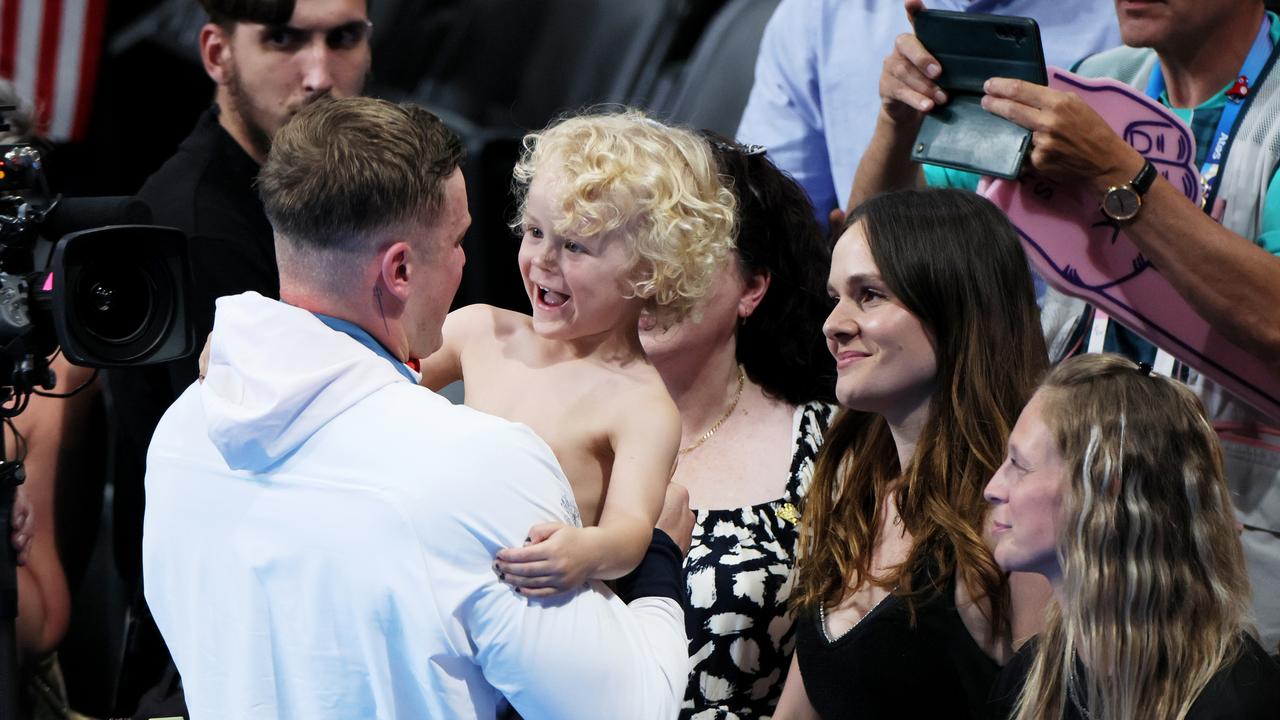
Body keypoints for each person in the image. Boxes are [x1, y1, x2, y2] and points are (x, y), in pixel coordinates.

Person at [143, 96, 694, 719]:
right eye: (464, 240)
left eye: (575, 245)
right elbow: (631, 709)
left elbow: (366, 382)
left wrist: (244, 349)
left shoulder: (183, 431)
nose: (530, 258)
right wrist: (659, 564)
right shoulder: (481, 437)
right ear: (399, 269)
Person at [855, 0, 1280, 649]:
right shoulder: (1095, 82)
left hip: (1234, 547)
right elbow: (882, 246)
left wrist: (1116, 175)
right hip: (1069, 541)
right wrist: (899, 120)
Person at [107, 1, 373, 710]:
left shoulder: (314, 205)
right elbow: (274, 483)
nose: (320, 75)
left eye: (344, 38)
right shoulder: (198, 232)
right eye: (284, 40)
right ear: (218, 54)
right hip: (219, 664)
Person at [419, 110, 734, 596]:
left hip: (527, 601)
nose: (543, 259)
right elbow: (381, 384)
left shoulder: (642, 405)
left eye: (575, 246)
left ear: (650, 271)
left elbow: (630, 531)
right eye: (535, 231)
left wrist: (583, 551)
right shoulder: (479, 331)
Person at [773, 188, 1052, 719]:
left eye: (870, 294)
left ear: (954, 303)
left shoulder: (1018, 519)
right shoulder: (854, 496)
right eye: (835, 297)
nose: (833, 324)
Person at [637, 132, 836, 719]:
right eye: (636, 243)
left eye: (684, 249)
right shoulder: (534, 422)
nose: (653, 275)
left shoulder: (829, 445)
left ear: (752, 287)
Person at [984, 353, 1280, 719]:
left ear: (1106, 493)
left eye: (1019, 465)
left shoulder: (1233, 700)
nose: (993, 488)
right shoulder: (1030, 676)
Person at [735, 0, 1122, 230]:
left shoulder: (1130, 15)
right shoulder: (816, 15)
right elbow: (768, 231)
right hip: (882, 340)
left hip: (1078, 348)